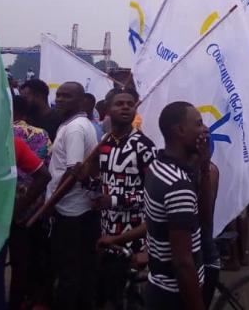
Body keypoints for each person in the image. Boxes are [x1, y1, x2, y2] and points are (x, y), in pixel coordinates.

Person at [0, 137, 50, 310]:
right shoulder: (10, 142)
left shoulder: (9, 142)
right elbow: (43, 175)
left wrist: (14, 210)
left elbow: (43, 176)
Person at [143, 101, 210, 310]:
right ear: (180, 130)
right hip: (175, 295)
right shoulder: (178, 185)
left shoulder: (158, 165)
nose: (205, 129)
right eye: (199, 124)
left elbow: (198, 219)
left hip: (158, 284)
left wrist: (204, 166)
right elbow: (182, 262)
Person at [95, 90, 158, 308]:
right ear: (107, 110)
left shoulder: (144, 146)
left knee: (132, 299)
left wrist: (113, 200)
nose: (125, 107)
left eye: (130, 104)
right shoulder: (103, 143)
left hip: (134, 238)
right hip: (107, 234)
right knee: (109, 295)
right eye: (119, 104)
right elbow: (102, 182)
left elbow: (154, 196)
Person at [46, 81, 100, 310]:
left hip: (70, 210)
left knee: (69, 270)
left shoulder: (76, 128)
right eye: (58, 95)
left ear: (81, 100)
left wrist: (51, 202)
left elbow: (73, 171)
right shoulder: (72, 124)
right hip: (75, 208)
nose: (59, 99)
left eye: (66, 96)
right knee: (79, 267)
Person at [9, 96, 53, 310]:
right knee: (21, 263)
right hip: (29, 208)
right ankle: (17, 303)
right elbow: (46, 170)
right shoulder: (41, 134)